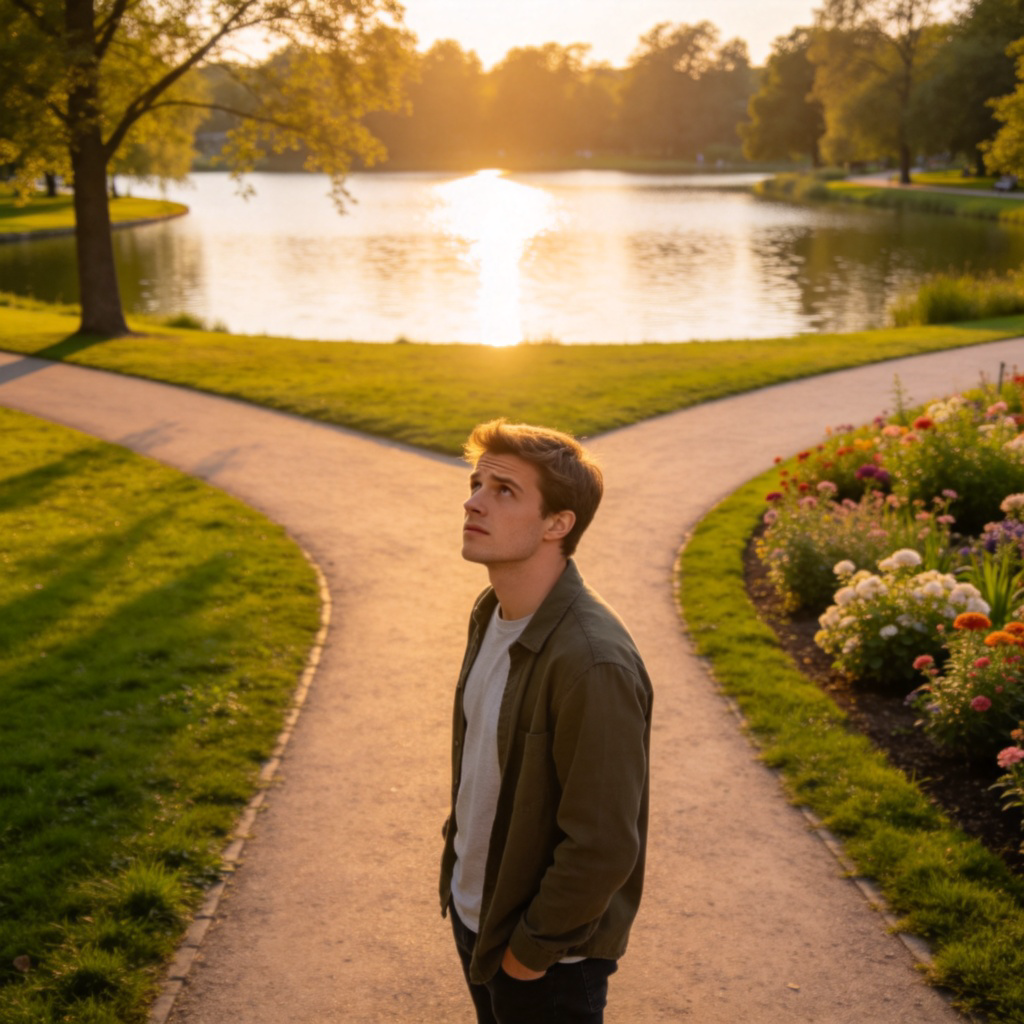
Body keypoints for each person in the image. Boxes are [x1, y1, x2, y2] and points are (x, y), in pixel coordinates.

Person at [439, 418, 653, 1024]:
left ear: (559, 525)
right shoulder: (493, 613)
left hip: (546, 962)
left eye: (503, 490)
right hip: (480, 918)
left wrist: (527, 959)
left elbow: (603, 845)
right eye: (477, 482)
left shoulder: (592, 662)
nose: (473, 500)